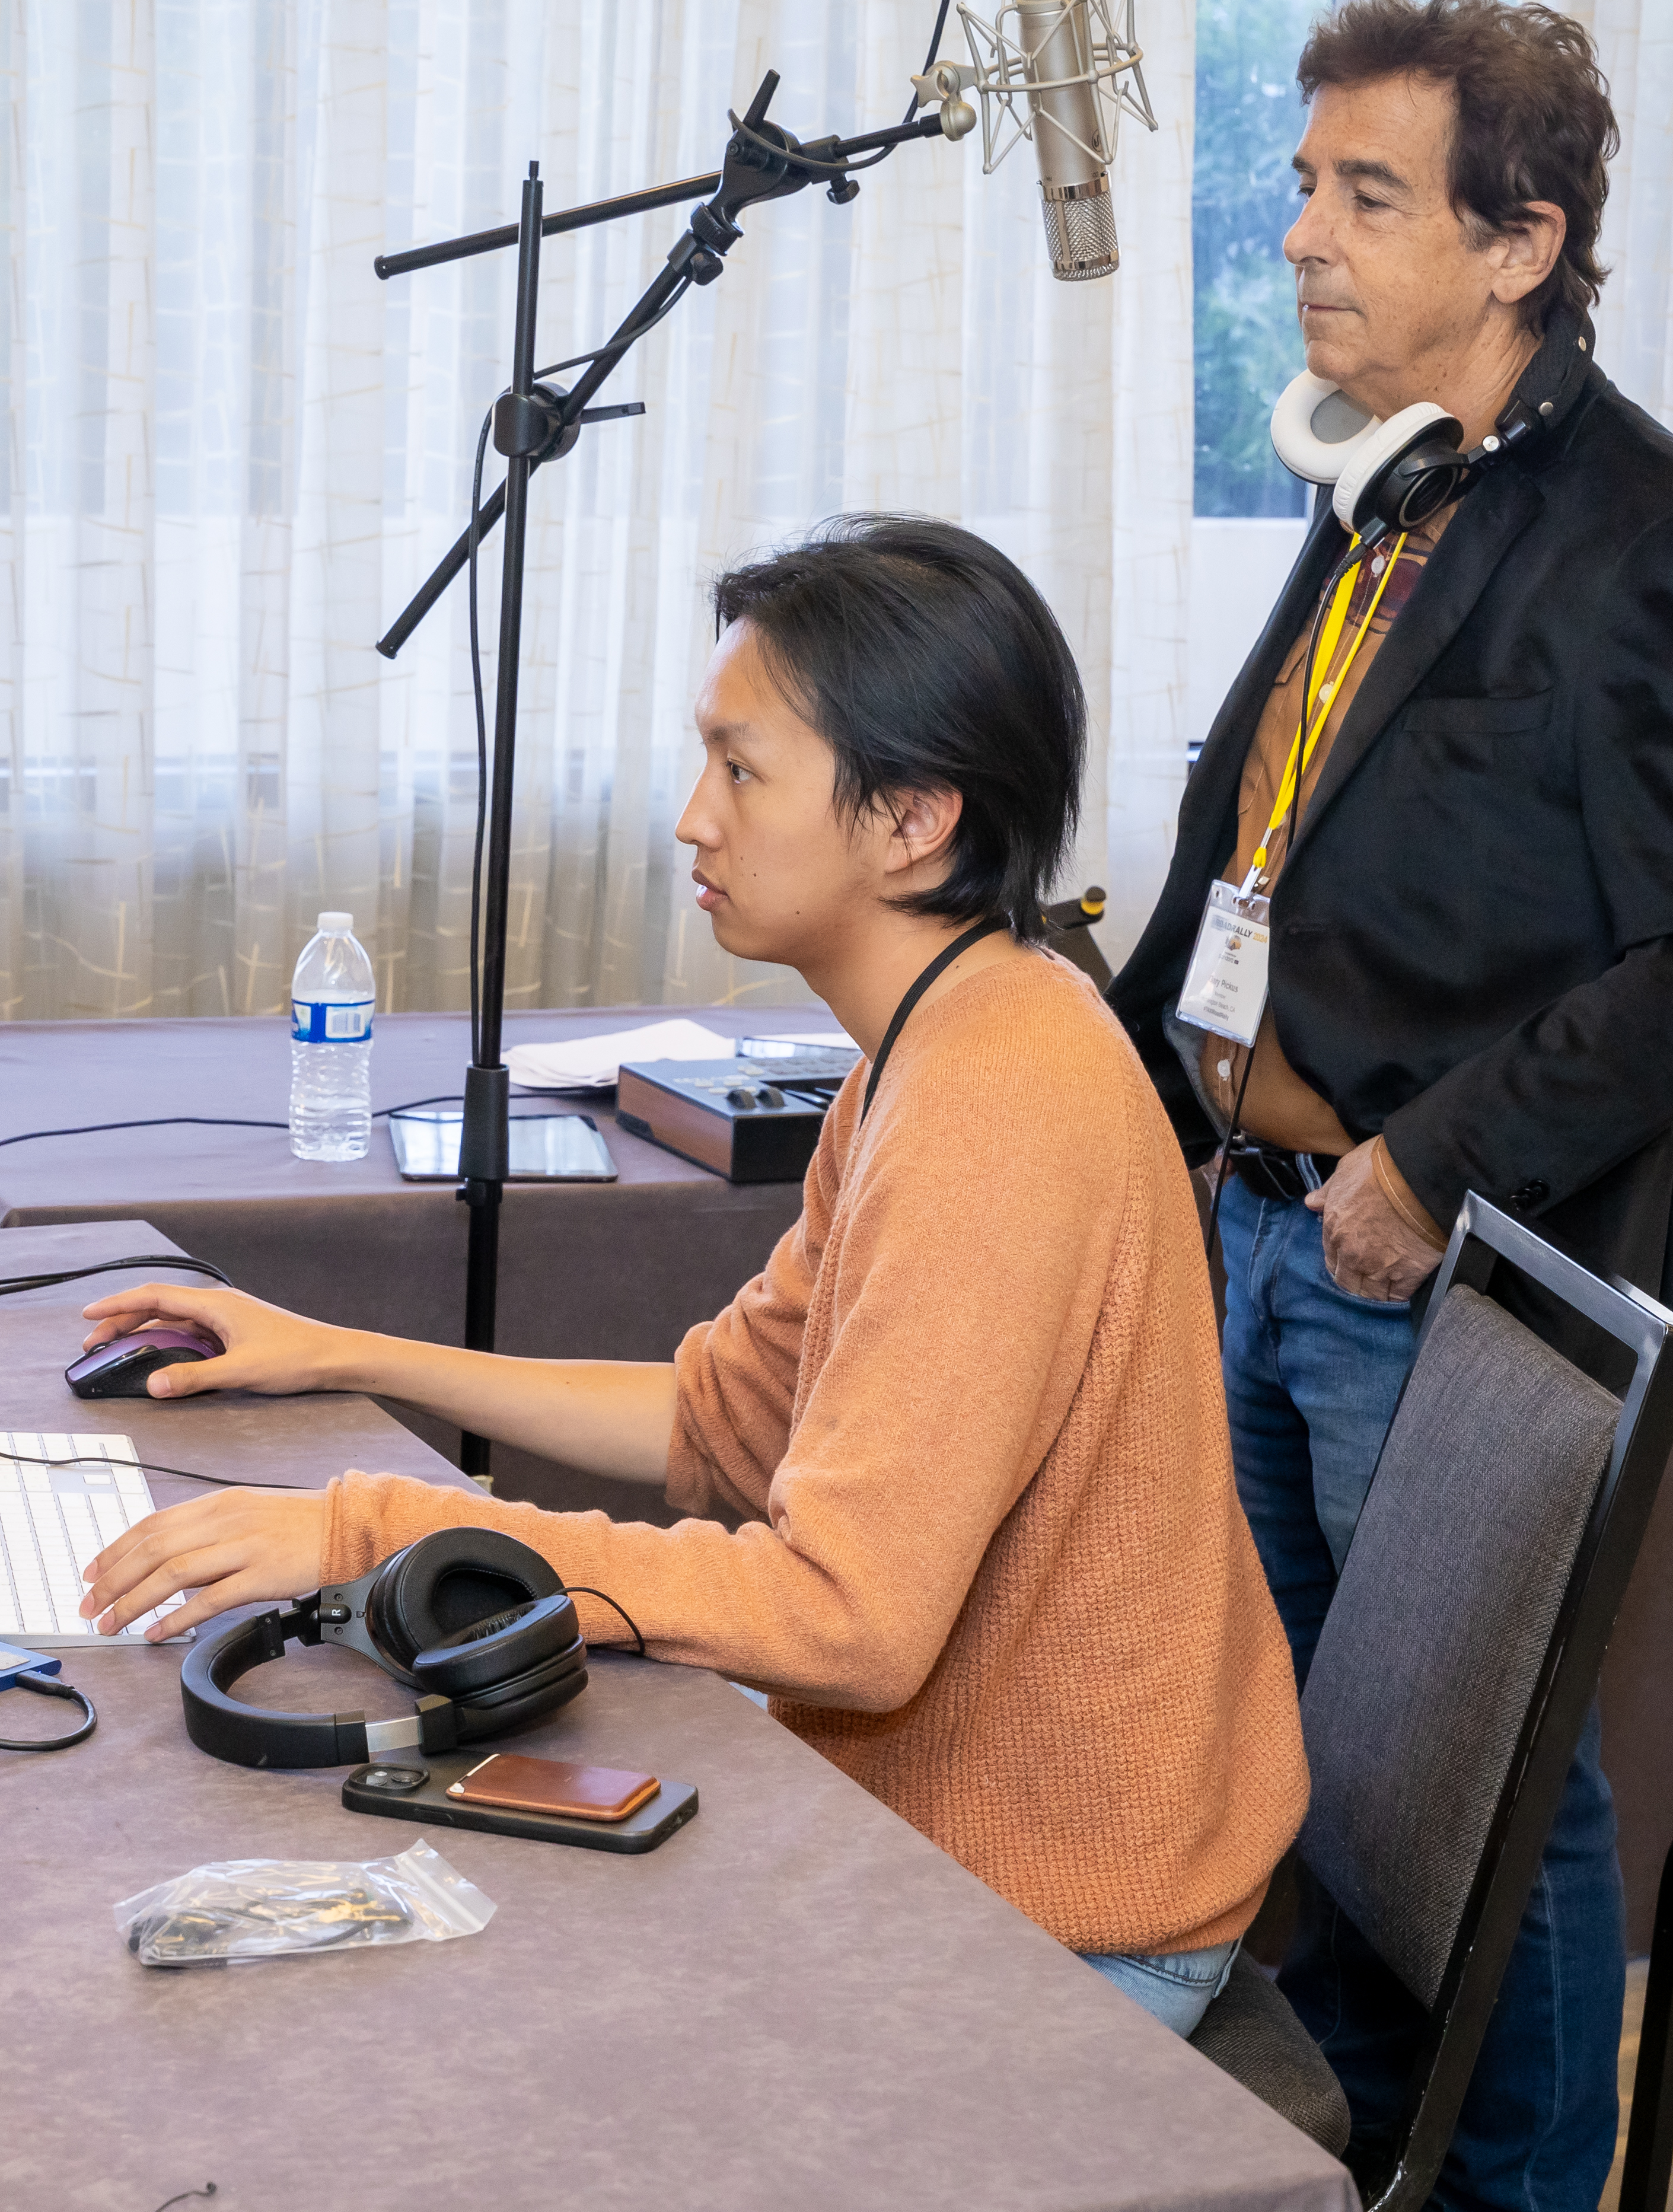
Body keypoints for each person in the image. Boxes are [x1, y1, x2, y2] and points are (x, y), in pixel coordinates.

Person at [76, 514, 1306, 2033]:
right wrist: (341, 1351)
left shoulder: (1000, 1098)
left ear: (912, 814)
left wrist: (369, 1523)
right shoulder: (938, 1038)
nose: (691, 818)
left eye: (741, 769)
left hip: (1048, 1913)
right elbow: (718, 1418)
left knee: (433, 2009)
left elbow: (849, 1617)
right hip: (946, 1833)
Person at [1109, 0, 1673, 2205]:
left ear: (1524, 240)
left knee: (1490, 1789)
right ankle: (1360, 2153)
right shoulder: (1382, 482)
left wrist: (1432, 1158)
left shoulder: (1651, 542)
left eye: (1366, 194)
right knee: (1324, 1767)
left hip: (1432, 1259)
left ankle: (1510, 2192)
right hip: (1250, 1221)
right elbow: (1265, 853)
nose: (1302, 234)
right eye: (1304, 185)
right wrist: (1101, 1093)